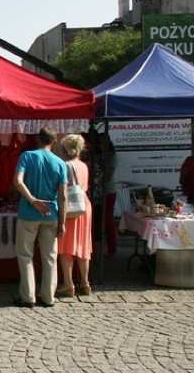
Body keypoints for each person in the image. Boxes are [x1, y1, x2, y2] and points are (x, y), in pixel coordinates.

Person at [12, 127, 67, 308]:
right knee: (50, 256)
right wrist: (63, 221)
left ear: (37, 139)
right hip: (52, 213)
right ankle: (48, 297)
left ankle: (28, 297)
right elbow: (63, 196)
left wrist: (32, 200)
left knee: (25, 255)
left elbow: (18, 182)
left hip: (28, 213)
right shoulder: (60, 163)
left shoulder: (27, 156)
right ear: (54, 141)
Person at [56, 134, 93, 298]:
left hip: (71, 205)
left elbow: (63, 189)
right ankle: (85, 282)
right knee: (84, 244)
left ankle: (68, 283)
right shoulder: (84, 165)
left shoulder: (65, 165)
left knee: (66, 246)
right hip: (84, 204)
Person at [91, 132, 119, 258]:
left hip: (108, 191)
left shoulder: (110, 155)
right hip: (100, 191)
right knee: (101, 220)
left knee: (108, 219)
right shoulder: (99, 155)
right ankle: (106, 247)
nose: (100, 144)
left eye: (102, 142)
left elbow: (108, 175)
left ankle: (112, 248)